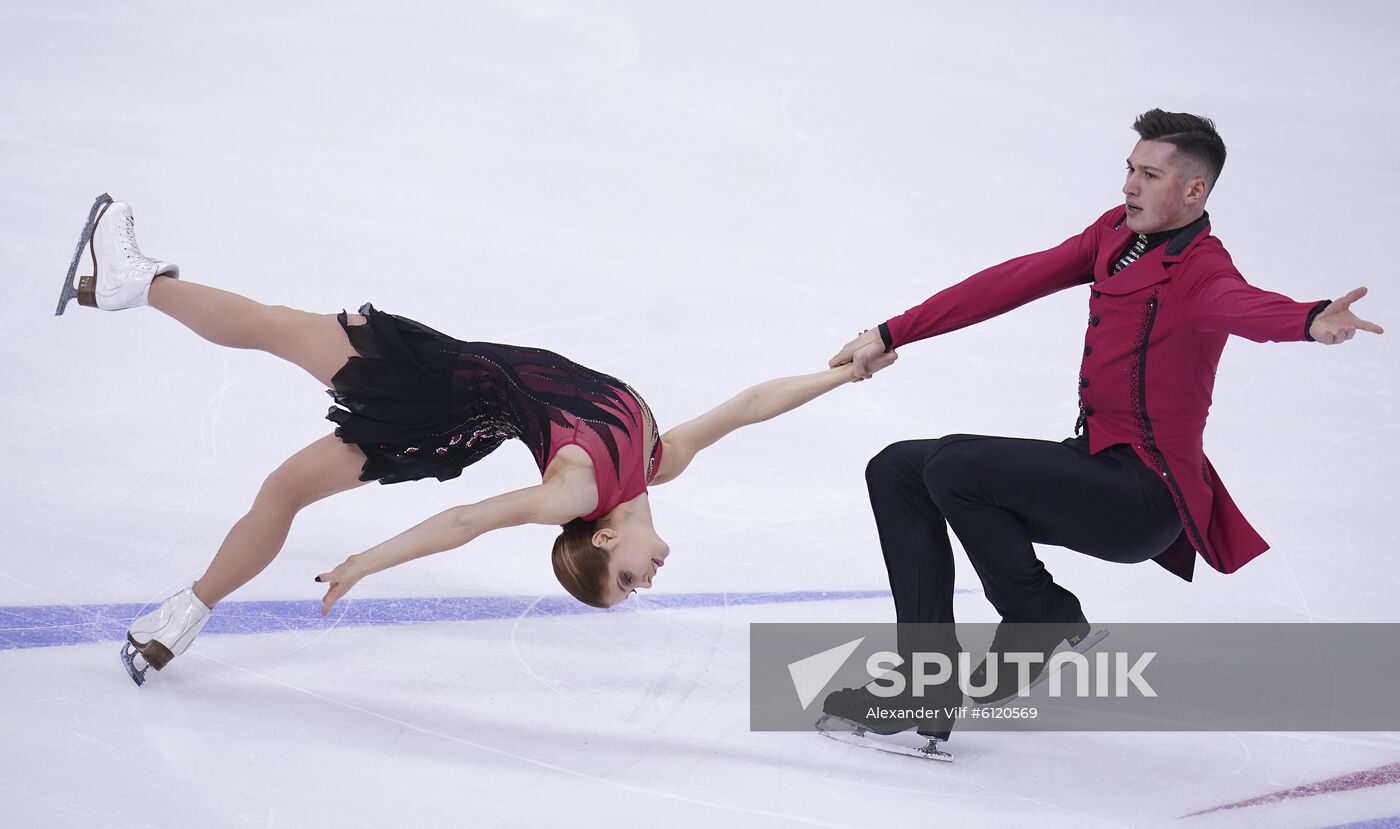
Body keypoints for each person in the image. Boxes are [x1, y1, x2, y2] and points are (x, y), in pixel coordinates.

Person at [64, 198, 896, 686]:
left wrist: (364, 562)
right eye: (636, 585)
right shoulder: (655, 463)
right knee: (283, 489)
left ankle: (132, 281)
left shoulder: (575, 492)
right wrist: (844, 374)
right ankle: (181, 616)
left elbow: (465, 522)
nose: (649, 579)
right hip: (446, 422)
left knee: (274, 329)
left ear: (604, 537)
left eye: (627, 579)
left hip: (439, 388)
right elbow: (751, 404)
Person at [819, 109, 1383, 747]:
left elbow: (1243, 306)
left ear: (1194, 191)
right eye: (1129, 170)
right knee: (896, 467)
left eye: (1149, 175)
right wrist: (893, 331)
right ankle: (923, 683)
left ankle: (1041, 615)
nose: (1128, 187)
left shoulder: (1200, 269)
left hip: (1141, 498)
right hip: (1091, 464)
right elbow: (1012, 281)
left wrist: (1308, 319)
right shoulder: (1114, 235)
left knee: (954, 466)